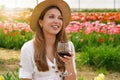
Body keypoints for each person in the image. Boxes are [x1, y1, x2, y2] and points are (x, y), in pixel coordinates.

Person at [19, 0, 77, 80]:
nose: (56, 21)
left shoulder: (68, 46)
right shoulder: (29, 48)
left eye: (60, 18)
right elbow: (26, 78)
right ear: (41, 22)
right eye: (51, 17)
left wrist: (69, 64)